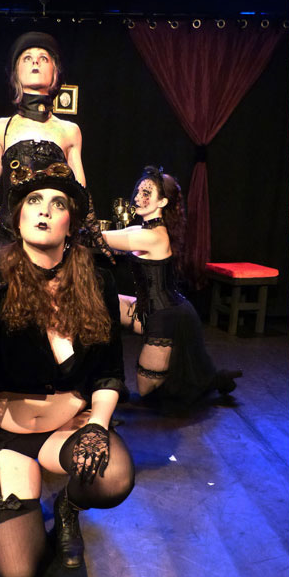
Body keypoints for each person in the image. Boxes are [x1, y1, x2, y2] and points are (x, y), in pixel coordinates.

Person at [0, 159, 134, 577]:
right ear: (17, 217)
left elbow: (110, 373)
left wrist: (97, 423)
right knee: (19, 572)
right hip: (1, 433)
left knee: (112, 476)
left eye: (58, 204)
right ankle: (22, 489)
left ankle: (68, 507)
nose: (45, 210)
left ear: (71, 222)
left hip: (65, 427)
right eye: (34, 201)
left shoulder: (97, 282)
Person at [0, 30, 114, 262]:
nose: (35, 62)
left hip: (51, 240)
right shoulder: (1, 127)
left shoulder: (70, 130)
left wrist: (99, 241)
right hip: (9, 242)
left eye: (43, 58)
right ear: (16, 72)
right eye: (27, 58)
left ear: (55, 72)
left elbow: (82, 193)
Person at [102, 165, 242, 408]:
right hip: (148, 308)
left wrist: (74, 224)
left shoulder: (153, 236)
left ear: (162, 202)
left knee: (147, 391)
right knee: (100, 302)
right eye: (138, 191)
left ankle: (208, 382)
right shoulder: (143, 229)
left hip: (167, 317)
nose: (138, 198)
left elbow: (103, 238)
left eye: (147, 193)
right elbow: (112, 235)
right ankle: (104, 378)